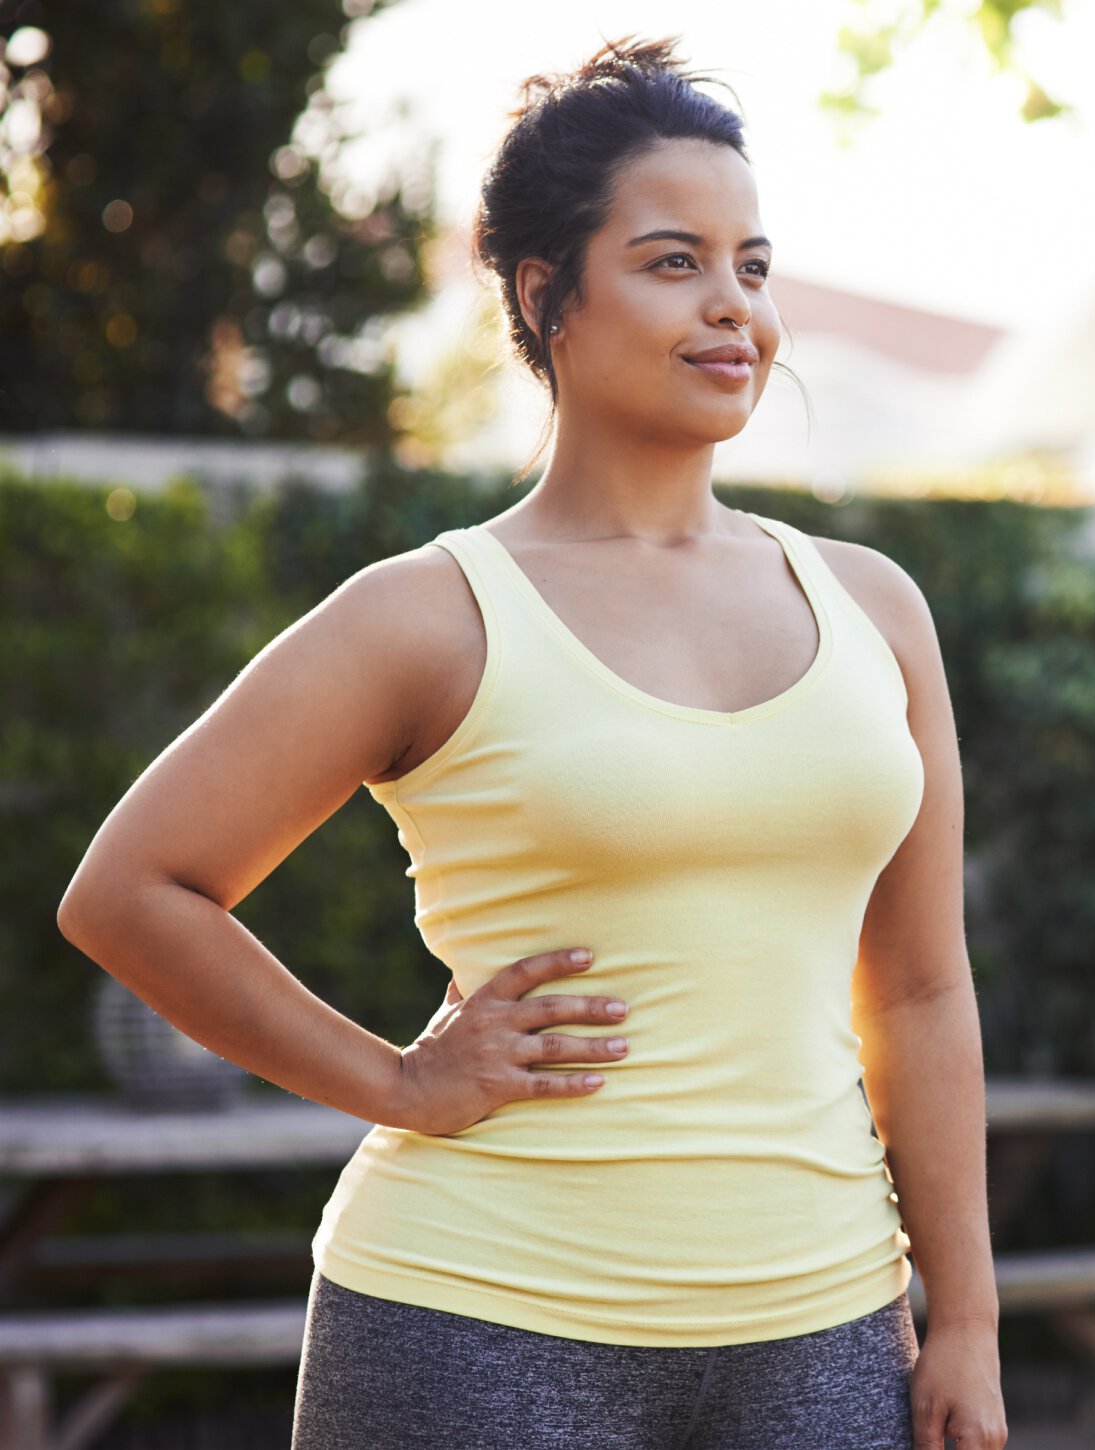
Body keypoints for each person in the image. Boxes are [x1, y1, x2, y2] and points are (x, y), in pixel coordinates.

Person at [57, 34, 1007, 1450]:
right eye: (673, 261)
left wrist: (973, 1321)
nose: (733, 306)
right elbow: (130, 892)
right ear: (544, 292)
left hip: (822, 1331)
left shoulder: (876, 607)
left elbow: (921, 993)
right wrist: (394, 1078)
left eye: (753, 264)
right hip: (474, 1322)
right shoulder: (428, 615)